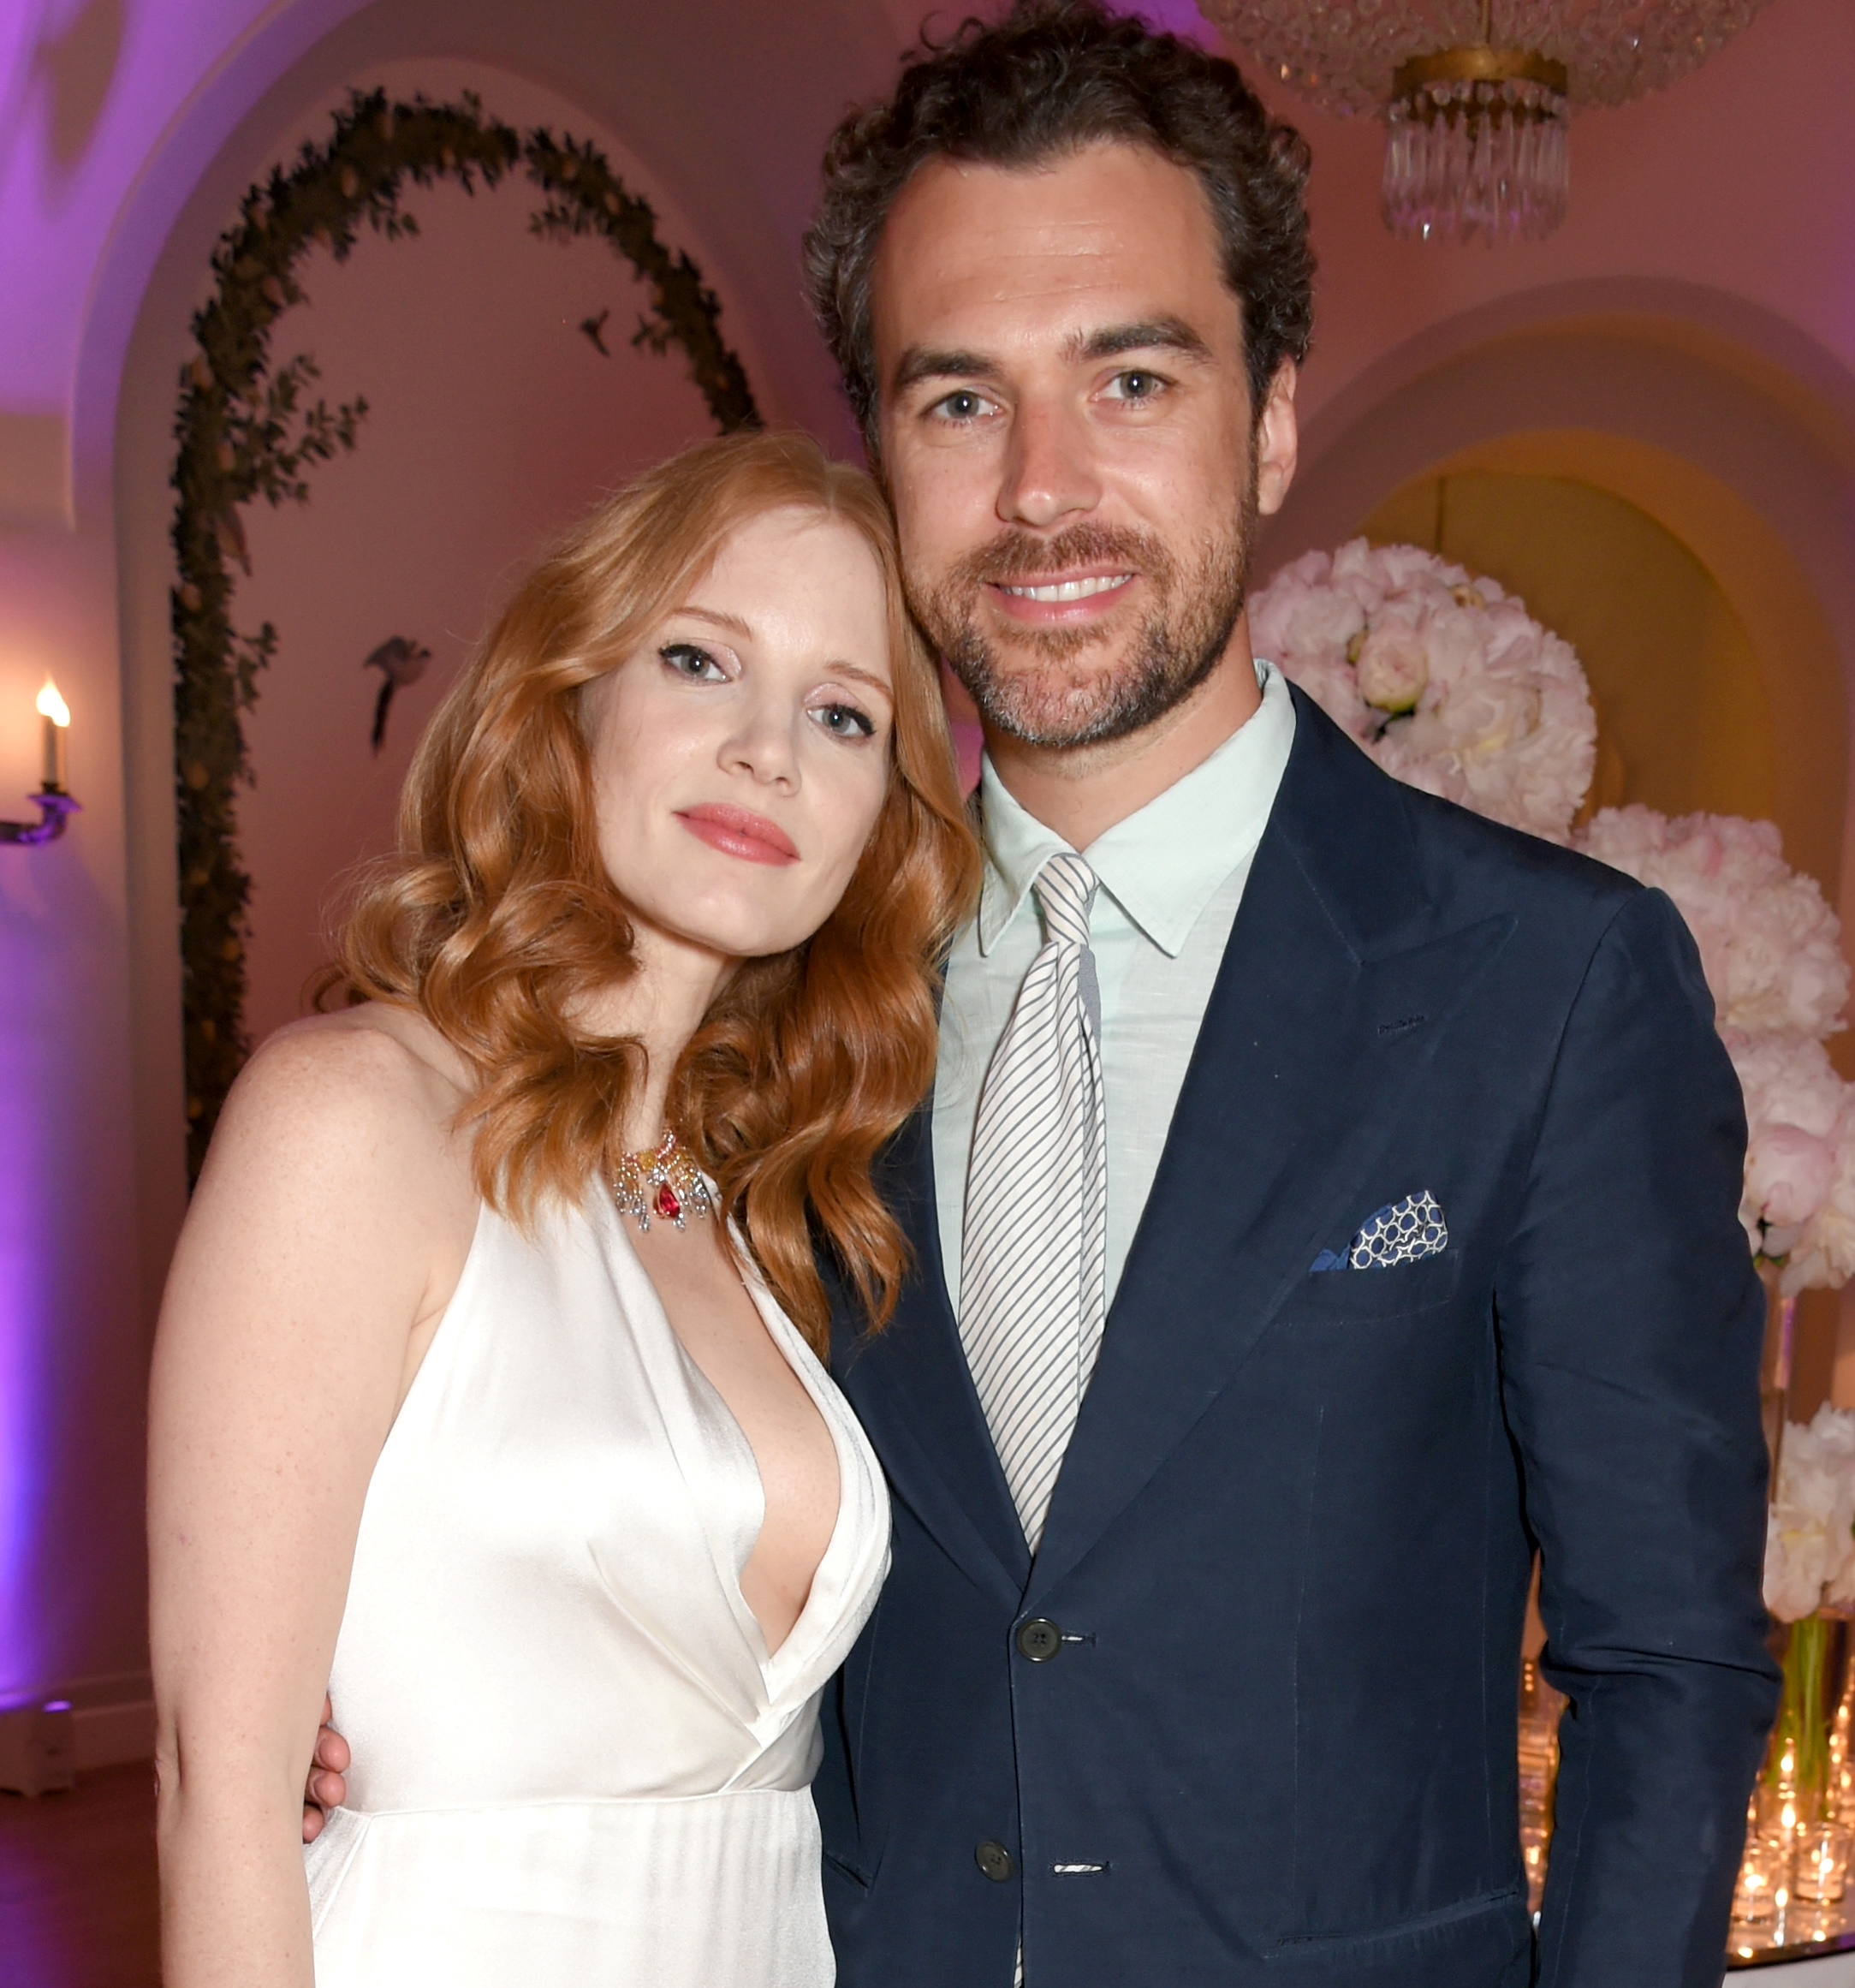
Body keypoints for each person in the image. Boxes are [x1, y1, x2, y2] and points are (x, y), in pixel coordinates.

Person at [308, 6, 1780, 1983]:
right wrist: (391, 1717)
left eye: (1132, 378)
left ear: (1268, 417)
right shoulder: (764, 1002)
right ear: (884, 455)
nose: (1042, 489)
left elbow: (1664, 1664)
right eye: (957, 401)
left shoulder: (1549, 980)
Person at [147, 429, 980, 1987]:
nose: (767, 752)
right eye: (698, 659)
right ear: (571, 695)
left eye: (843, 713)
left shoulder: (779, 1210)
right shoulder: (352, 1120)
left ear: (887, 813)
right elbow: (223, 1794)